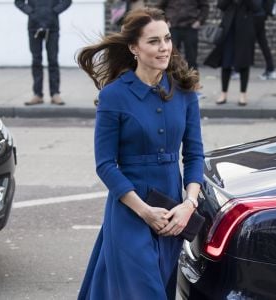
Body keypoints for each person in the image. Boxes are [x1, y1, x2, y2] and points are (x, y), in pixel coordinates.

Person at [77, 7, 204, 300]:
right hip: (130, 213)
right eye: (154, 41)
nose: (164, 47)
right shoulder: (114, 95)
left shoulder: (184, 92)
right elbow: (106, 164)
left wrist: (189, 205)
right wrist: (144, 211)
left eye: (167, 38)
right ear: (134, 48)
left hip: (173, 212)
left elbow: (195, 155)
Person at [15, 0, 72, 106]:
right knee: (36, 61)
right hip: (34, 26)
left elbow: (67, 1)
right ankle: (37, 94)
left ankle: (55, 94)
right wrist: (31, 12)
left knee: (53, 61)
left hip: (52, 27)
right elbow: (19, 2)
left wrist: (54, 11)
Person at [204, 0, 261, 106]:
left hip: (245, 28)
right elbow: (220, 5)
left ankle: (243, 94)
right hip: (228, 28)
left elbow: (257, 7)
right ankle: (223, 93)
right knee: (226, 61)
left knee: (244, 62)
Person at [158, 0, 209, 70]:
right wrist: (165, 20)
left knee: (192, 58)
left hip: (190, 27)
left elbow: (205, 7)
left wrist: (199, 21)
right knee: (172, 57)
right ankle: (171, 79)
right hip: (173, 28)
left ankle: (193, 80)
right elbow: (160, 7)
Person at [254, 1, 276, 80]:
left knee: (244, 43)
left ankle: (238, 70)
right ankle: (271, 69)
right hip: (261, 15)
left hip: (255, 16)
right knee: (263, 43)